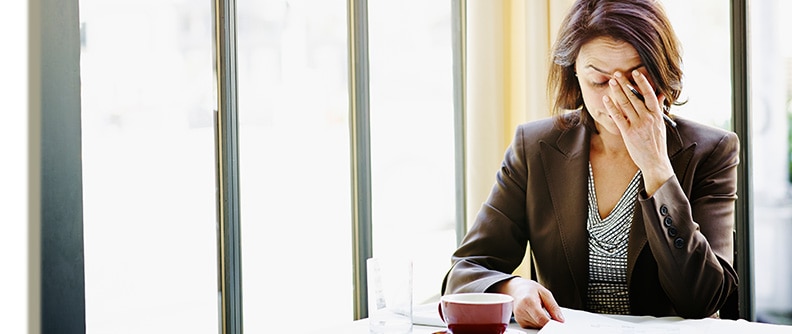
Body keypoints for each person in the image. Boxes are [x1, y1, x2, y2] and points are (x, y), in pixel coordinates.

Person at [441, 0, 739, 329]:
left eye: (636, 78)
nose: (616, 97)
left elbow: (703, 299)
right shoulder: (535, 147)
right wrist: (513, 288)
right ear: (575, 78)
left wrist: (657, 169)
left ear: (661, 74)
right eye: (599, 81)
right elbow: (464, 272)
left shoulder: (712, 151)